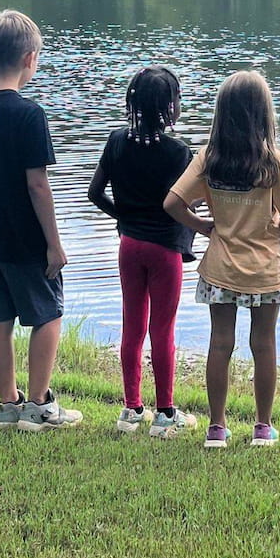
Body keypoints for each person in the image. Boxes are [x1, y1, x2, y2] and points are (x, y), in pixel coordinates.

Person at [0, 9, 82, 432]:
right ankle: (40, 406)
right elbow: (38, 186)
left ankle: (7, 404)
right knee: (47, 315)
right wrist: (54, 244)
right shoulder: (29, 114)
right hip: (24, 237)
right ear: (30, 58)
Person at [163, 70, 280, 449]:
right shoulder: (271, 160)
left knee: (220, 343)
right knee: (264, 345)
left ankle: (217, 428)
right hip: (264, 270)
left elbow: (172, 203)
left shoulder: (209, 158)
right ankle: (262, 427)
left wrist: (205, 227)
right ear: (264, 114)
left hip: (220, 269)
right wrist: (274, 228)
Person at [88, 65, 198, 438]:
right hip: (165, 251)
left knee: (132, 328)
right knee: (162, 331)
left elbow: (94, 193)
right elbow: (188, 202)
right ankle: (165, 414)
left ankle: (131, 410)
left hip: (129, 246)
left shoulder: (117, 141)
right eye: (178, 99)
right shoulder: (178, 151)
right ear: (170, 108)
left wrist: (127, 217)